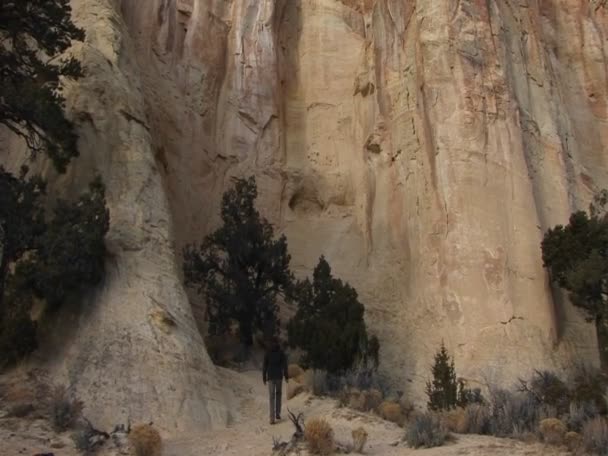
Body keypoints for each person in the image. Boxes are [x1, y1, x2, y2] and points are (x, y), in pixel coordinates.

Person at [263, 338, 288, 425]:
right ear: (277, 343)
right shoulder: (281, 352)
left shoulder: (267, 352)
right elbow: (285, 365)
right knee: (278, 394)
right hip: (278, 376)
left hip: (270, 376)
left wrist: (264, 376)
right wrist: (286, 375)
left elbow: (264, 365)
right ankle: (277, 413)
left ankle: (272, 418)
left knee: (271, 397)